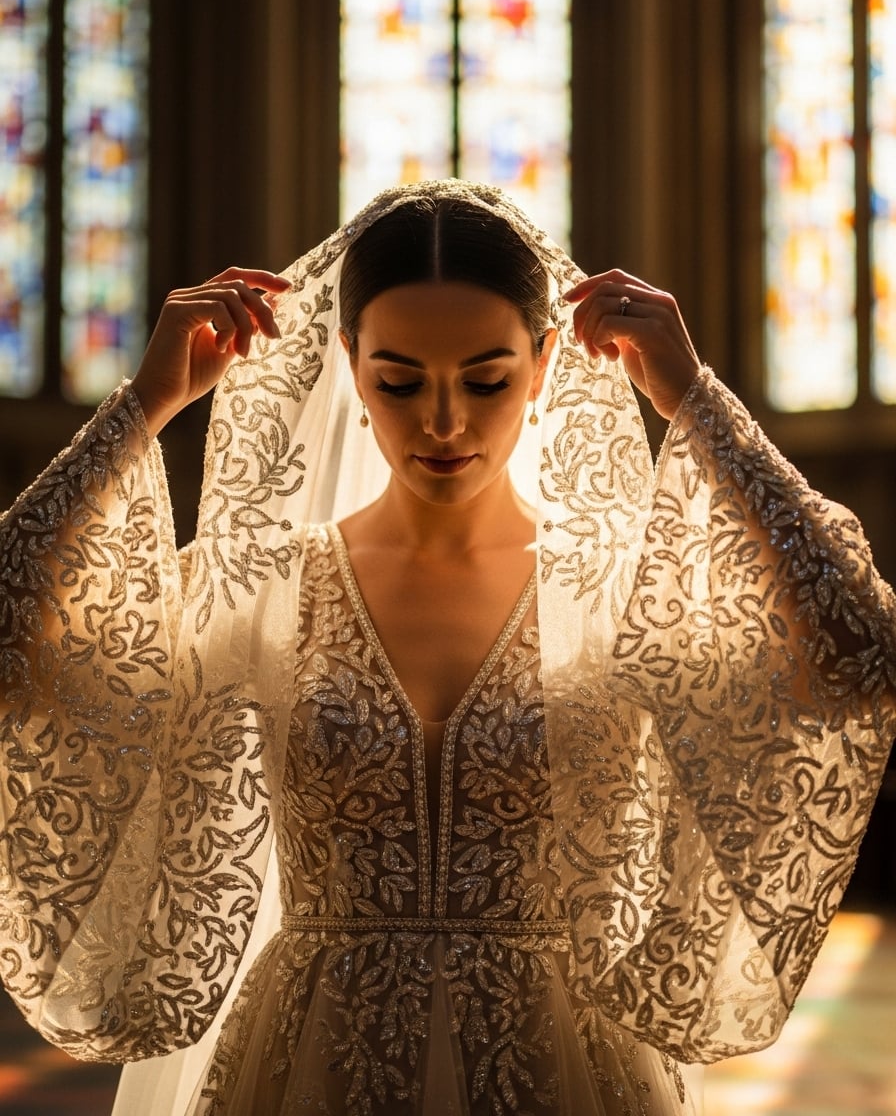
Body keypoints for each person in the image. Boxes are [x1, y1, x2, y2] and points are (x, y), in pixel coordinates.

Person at [1, 179, 894, 1116]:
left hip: (565, 1071)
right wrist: (143, 405)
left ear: (546, 363)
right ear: (349, 364)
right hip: (310, 1066)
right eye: (399, 381)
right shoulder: (261, 588)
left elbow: (860, 648)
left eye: (486, 379)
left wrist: (698, 408)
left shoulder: (617, 592)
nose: (442, 424)